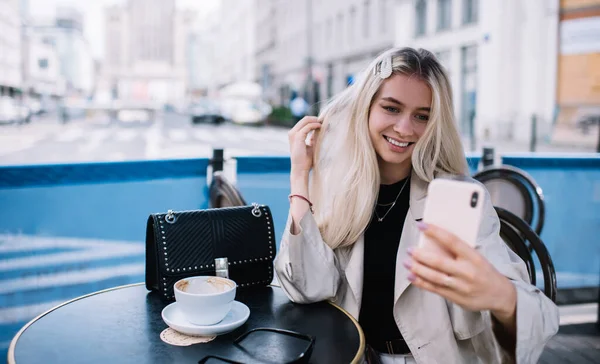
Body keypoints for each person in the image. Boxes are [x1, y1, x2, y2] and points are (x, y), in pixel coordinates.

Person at [274, 48, 558, 364]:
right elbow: (306, 288)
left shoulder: (455, 198)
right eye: (391, 108)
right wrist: (300, 175)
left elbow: (540, 320)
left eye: (422, 116)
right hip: (351, 356)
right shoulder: (339, 186)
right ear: (365, 108)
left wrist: (503, 298)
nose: (405, 129)